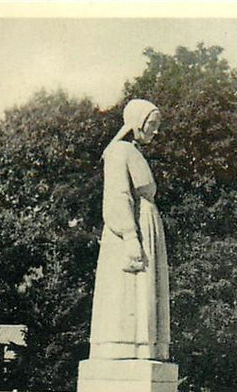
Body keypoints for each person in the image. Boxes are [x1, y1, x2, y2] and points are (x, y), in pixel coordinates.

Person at [91, 98, 170, 360]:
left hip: (146, 225)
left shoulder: (133, 152)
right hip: (131, 229)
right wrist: (129, 236)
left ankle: (146, 348)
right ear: (137, 122)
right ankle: (124, 347)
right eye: (152, 124)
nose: (155, 131)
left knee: (145, 294)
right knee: (127, 292)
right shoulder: (119, 151)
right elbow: (117, 195)